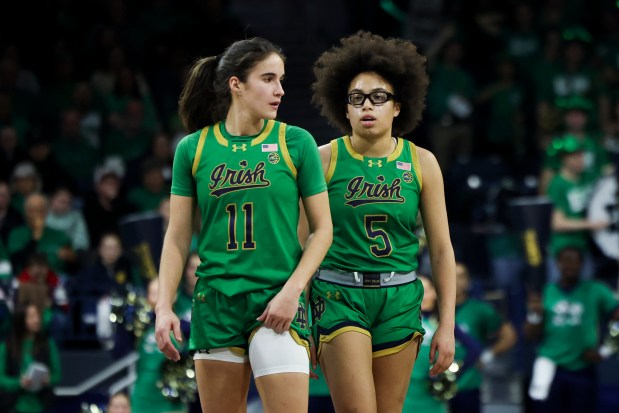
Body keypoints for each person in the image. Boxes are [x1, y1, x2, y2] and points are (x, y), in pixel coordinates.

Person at [154, 37, 332, 413]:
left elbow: (323, 230)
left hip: (277, 300)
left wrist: (293, 291)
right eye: (268, 79)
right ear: (236, 84)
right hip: (215, 301)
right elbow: (177, 237)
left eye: (281, 79)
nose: (280, 90)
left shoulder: (296, 142)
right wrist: (164, 306)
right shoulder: (193, 148)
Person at [306, 31, 456, 413]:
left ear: (398, 106)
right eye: (356, 99)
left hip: (400, 298)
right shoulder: (323, 159)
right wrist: (300, 316)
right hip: (339, 295)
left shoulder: (422, 162)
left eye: (378, 97)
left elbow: (441, 249)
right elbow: (300, 245)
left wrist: (448, 324)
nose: (366, 106)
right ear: (345, 107)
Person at [524, 246, 619, 413]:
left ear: (582, 264)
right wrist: (535, 316)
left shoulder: (595, 290)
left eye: (575, 261)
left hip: (582, 367)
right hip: (550, 367)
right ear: (558, 263)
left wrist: (606, 349)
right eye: (566, 261)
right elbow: (529, 336)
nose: (570, 266)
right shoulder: (547, 292)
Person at [404, 274, 483, 413]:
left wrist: (450, 374)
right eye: (414, 291)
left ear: (435, 293)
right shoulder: (400, 322)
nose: (419, 296)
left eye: (425, 291)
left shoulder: (442, 324)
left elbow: (474, 349)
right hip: (404, 393)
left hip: (430, 397)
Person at [449, 262, 517, 413]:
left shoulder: (480, 309)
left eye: (460, 276)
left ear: (468, 282)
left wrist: (487, 356)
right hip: (431, 382)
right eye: (451, 274)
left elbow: (509, 335)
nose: (455, 280)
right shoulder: (431, 306)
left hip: (467, 381)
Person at [132, 278, 186, 413]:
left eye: (161, 294)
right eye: (154, 294)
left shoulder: (184, 326)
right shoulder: (140, 326)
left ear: (175, 296)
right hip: (141, 398)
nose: (158, 300)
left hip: (169, 401)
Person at [0, 303, 62, 413]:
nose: (36, 320)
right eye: (31, 317)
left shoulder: (48, 344)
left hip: (43, 405)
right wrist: (19, 383)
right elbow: (1, 379)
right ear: (21, 320)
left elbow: (57, 374)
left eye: (37, 316)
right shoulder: (6, 347)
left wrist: (48, 379)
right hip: (14, 406)